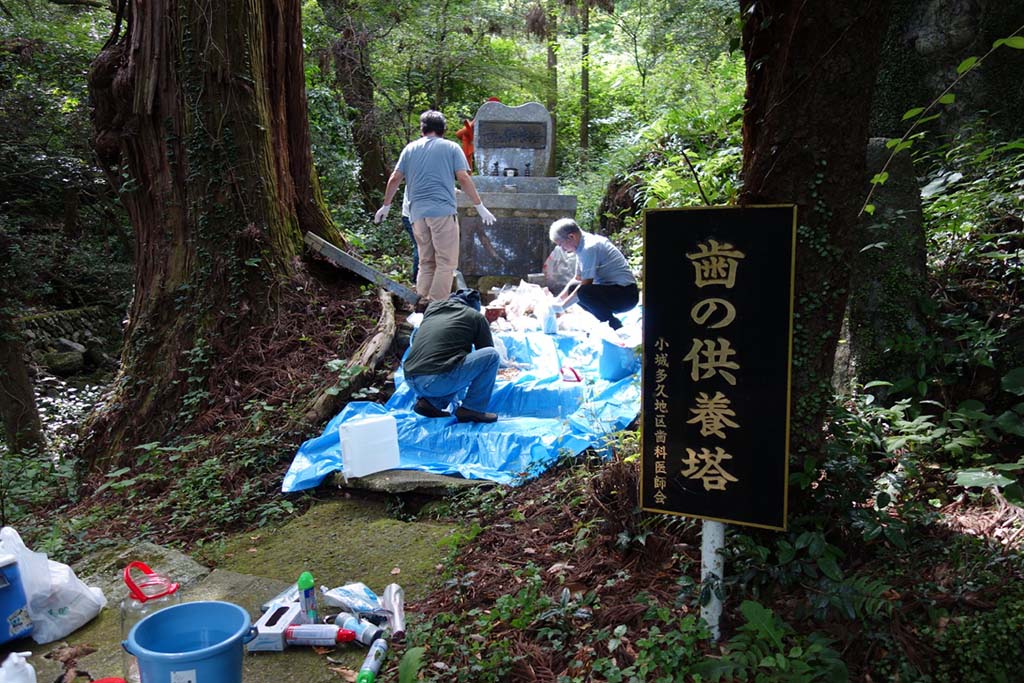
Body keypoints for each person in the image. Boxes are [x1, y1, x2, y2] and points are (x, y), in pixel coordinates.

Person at [374, 110, 495, 304]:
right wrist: (480, 206)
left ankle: (421, 303)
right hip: (442, 213)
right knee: (446, 262)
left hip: (417, 215)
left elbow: (395, 177)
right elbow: (463, 177)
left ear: (423, 129)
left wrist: (386, 206)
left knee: (426, 261)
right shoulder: (451, 147)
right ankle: (436, 306)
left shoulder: (410, 149)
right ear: (443, 129)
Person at [402, 289, 499, 424]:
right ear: (475, 308)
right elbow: (486, 352)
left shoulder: (433, 309)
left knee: (452, 360)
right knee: (491, 356)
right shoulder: (476, 317)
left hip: (410, 378)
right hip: (435, 380)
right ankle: (472, 409)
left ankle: (431, 404)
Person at [549, 218, 638, 330]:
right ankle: (605, 320)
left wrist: (562, 307)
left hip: (626, 295)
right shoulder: (581, 247)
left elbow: (586, 284)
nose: (562, 249)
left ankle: (614, 326)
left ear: (572, 237)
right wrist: (556, 300)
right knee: (573, 288)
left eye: (561, 244)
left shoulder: (589, 247)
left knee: (584, 292)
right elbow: (577, 278)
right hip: (613, 291)